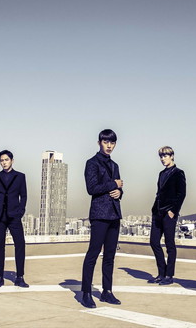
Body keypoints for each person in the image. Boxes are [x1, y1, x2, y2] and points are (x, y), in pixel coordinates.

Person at [80, 129, 124, 308]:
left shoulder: (115, 165)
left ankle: (107, 291)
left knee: (110, 256)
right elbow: (91, 188)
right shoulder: (91, 163)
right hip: (99, 214)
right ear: (99, 143)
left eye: (112, 143)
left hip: (114, 214)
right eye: (106, 142)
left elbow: (118, 188)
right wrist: (114, 184)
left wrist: (119, 192)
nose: (109, 146)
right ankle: (86, 293)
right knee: (93, 253)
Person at [0, 149, 29, 288]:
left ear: (12, 161)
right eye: (2, 160)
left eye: (6, 160)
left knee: (20, 244)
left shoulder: (20, 177)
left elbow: (24, 196)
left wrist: (21, 211)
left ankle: (20, 277)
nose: (4, 162)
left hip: (14, 216)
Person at [148, 146, 186, 285]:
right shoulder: (161, 174)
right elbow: (159, 193)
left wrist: (173, 211)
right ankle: (161, 273)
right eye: (161, 156)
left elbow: (181, 194)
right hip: (157, 212)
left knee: (169, 244)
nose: (163, 159)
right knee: (154, 242)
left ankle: (169, 275)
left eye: (165, 156)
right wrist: (154, 209)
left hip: (169, 213)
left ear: (172, 156)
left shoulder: (178, 173)